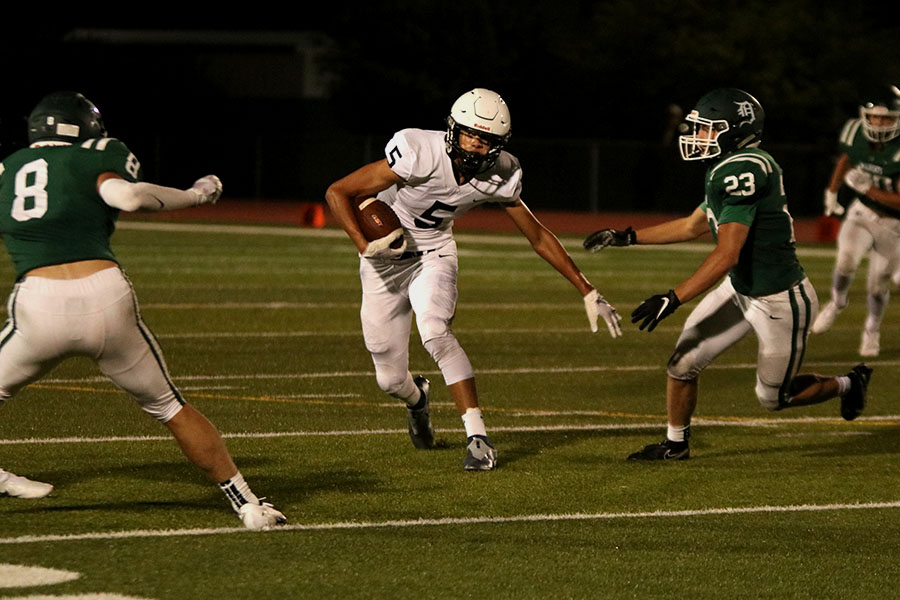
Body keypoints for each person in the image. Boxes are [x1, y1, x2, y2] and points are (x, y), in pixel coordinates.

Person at [0, 91, 286, 530]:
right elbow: (130, 198)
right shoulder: (94, 156)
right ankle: (248, 505)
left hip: (39, 302)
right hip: (105, 297)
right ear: (86, 129)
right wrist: (195, 194)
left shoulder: (9, 167)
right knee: (169, 406)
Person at [326, 88, 622, 471]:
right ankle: (417, 399)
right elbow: (338, 192)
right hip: (383, 263)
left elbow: (537, 236)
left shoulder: (503, 172)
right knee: (389, 380)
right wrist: (364, 244)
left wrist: (587, 288)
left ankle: (478, 438)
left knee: (434, 329)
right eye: (470, 134)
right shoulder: (418, 150)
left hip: (433, 255)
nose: (476, 146)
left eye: (487, 140)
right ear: (453, 129)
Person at [583, 88, 872, 461]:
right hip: (741, 289)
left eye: (708, 129)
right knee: (682, 363)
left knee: (773, 398)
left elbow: (727, 253)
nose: (697, 136)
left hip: (779, 299)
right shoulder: (728, 166)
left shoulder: (743, 170)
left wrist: (673, 298)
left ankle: (849, 383)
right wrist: (627, 236)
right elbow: (692, 226)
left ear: (735, 131)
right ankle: (675, 444)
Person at [813, 86, 900, 357]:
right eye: (875, 117)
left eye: (887, 118)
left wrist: (867, 189)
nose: (880, 123)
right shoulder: (854, 133)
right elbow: (847, 159)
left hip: (894, 223)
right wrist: (832, 190)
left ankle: (872, 329)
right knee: (846, 260)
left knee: (877, 285)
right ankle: (837, 302)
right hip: (861, 214)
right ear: (865, 116)